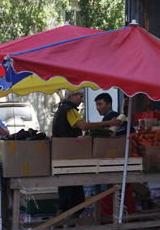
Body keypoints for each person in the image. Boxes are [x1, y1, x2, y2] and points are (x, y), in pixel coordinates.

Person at [52, 89, 122, 217]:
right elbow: (83, 126)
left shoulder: (61, 110)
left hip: (61, 158)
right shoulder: (69, 110)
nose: (82, 99)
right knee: (76, 201)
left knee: (64, 200)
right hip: (70, 158)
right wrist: (110, 122)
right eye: (80, 96)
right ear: (72, 96)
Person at [93, 93, 136, 217]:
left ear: (109, 104)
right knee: (124, 191)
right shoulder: (115, 118)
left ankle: (109, 220)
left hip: (114, 162)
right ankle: (127, 217)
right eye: (96, 105)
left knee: (110, 192)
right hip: (122, 161)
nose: (98, 108)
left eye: (100, 104)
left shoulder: (114, 119)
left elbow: (110, 140)